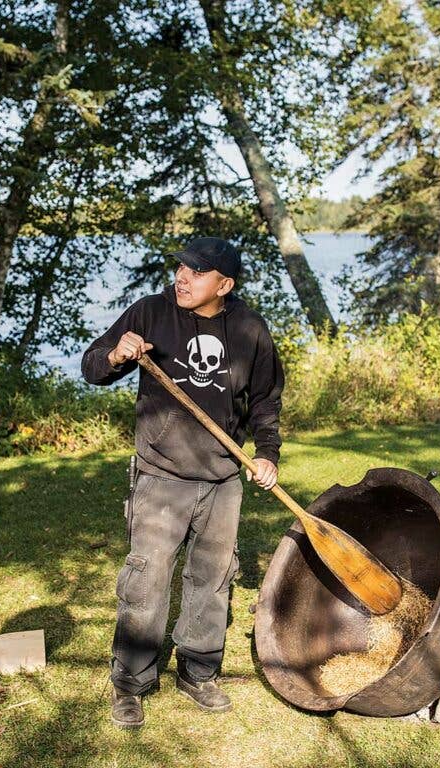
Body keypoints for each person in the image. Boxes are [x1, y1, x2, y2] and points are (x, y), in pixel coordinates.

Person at [81, 236, 284, 730]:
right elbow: (92, 365)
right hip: (161, 473)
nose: (183, 277)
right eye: (181, 267)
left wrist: (267, 454)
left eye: (197, 271)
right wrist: (115, 355)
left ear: (225, 284)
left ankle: (198, 671)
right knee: (146, 580)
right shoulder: (151, 313)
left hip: (222, 478)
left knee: (212, 580)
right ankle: (131, 683)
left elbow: (265, 401)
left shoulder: (250, 329)